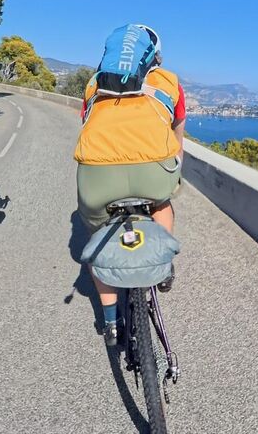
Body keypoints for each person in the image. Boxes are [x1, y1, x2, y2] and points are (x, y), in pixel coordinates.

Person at [74, 24, 185, 346]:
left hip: (98, 172)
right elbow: (177, 130)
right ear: (154, 57)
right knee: (162, 203)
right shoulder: (169, 81)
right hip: (155, 169)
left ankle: (111, 321)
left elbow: (87, 123)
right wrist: (174, 166)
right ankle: (163, 263)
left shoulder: (94, 83)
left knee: (97, 233)